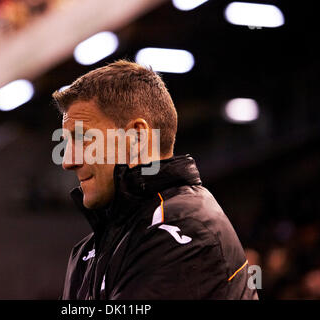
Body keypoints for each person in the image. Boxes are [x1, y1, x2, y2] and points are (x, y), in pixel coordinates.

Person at [52, 60, 258, 300]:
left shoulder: (180, 231)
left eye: (83, 138)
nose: (68, 161)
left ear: (137, 136)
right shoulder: (87, 252)